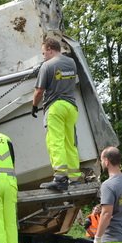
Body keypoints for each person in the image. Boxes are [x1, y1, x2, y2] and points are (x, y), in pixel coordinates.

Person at [33, 37, 81, 192]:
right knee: (70, 142)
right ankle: (74, 178)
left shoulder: (47, 66)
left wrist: (34, 105)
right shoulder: (72, 63)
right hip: (71, 107)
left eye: (43, 53)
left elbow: (39, 91)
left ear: (49, 49)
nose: (43, 56)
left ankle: (60, 178)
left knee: (56, 142)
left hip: (55, 107)